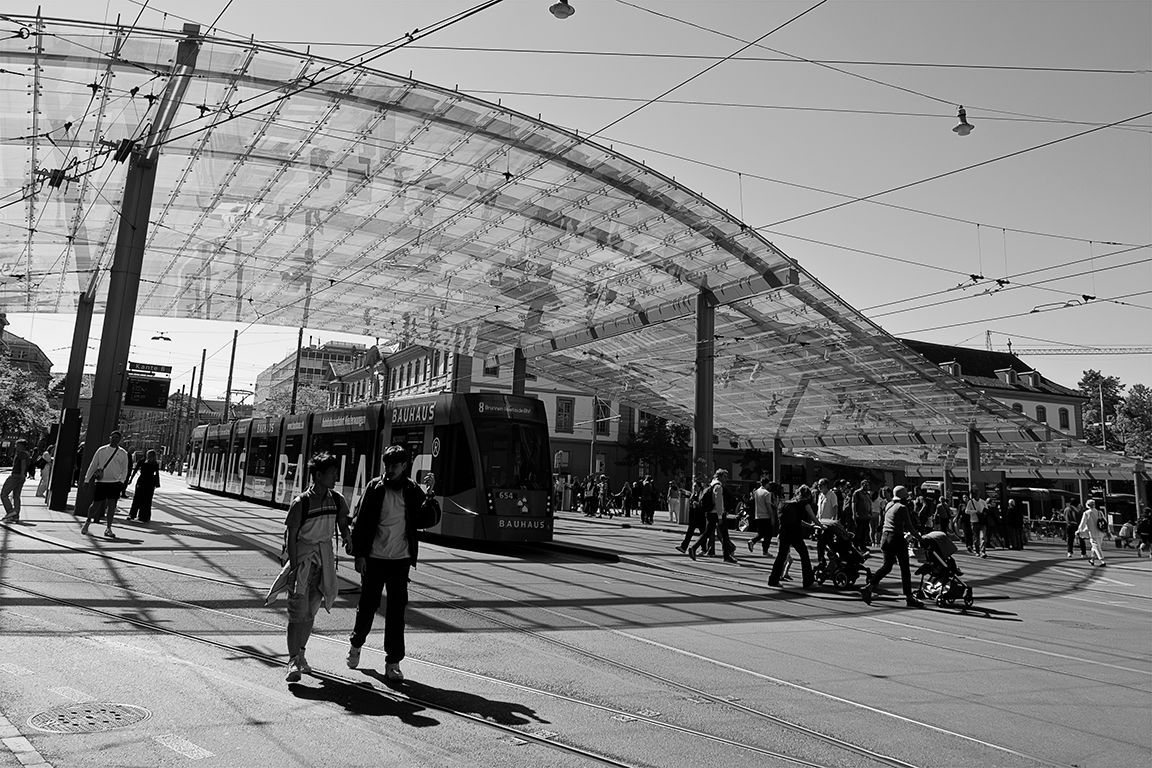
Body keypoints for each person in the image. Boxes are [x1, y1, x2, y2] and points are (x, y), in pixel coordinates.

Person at [346, 444, 441, 681]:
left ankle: (393, 662)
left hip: (400, 560)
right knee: (368, 606)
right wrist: (359, 555)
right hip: (374, 558)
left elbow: (427, 519)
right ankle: (356, 643)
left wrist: (430, 494)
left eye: (394, 465)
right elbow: (361, 521)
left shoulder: (411, 490)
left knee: (396, 613)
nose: (389, 470)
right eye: (387, 465)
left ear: (404, 467)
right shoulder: (374, 488)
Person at [266, 452, 352, 683]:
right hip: (303, 563)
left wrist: (347, 537)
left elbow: (343, 523)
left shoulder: (337, 500)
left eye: (336, 472)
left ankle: (301, 655)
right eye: (332, 473)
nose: (335, 476)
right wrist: (293, 568)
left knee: (310, 613)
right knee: (297, 614)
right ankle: (293, 660)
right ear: (318, 475)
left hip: (323, 564)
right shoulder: (301, 503)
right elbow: (291, 538)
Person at [860, 486, 925, 608]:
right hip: (896, 538)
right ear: (904, 497)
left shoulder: (889, 505)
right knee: (905, 569)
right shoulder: (902, 507)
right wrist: (921, 538)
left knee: (887, 566)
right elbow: (910, 527)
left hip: (885, 538)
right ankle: (909, 597)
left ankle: (869, 587)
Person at [80, 431, 131, 538]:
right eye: (113, 437)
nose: (115, 439)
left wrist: (122, 482)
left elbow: (125, 469)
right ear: (110, 438)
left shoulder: (123, 453)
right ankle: (87, 522)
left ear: (120, 439)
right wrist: (87, 480)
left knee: (112, 506)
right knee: (95, 505)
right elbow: (93, 465)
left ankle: (108, 528)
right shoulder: (101, 450)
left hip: (114, 483)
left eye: (117, 438)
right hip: (101, 482)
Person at [768, 485, 817, 588]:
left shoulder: (789, 503)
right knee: (804, 555)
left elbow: (797, 520)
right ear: (808, 495)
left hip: (784, 532)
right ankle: (808, 581)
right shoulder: (804, 504)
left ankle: (773, 580)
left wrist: (808, 525)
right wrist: (821, 526)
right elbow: (813, 517)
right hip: (795, 534)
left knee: (781, 557)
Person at [687, 469, 738, 563]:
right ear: (720, 476)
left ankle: (693, 548)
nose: (726, 479)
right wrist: (720, 516)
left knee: (707, 533)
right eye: (725, 477)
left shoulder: (712, 484)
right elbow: (718, 502)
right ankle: (726, 556)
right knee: (725, 535)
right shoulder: (718, 487)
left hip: (711, 513)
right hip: (717, 514)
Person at [127, 449, 161, 523]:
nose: (150, 457)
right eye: (149, 455)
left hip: (149, 483)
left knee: (146, 500)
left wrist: (157, 483)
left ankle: (143, 516)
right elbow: (135, 470)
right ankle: (134, 515)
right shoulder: (142, 461)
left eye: (151, 455)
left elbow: (156, 474)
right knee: (138, 498)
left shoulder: (155, 463)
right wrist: (131, 479)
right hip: (143, 482)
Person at [1, 439, 32, 522]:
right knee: (16, 496)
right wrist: (23, 475)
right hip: (21, 476)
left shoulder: (21, 453)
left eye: (17, 445)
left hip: (16, 475)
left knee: (4, 494)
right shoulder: (26, 454)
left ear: (21, 446)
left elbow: (23, 463)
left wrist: (22, 473)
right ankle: (16, 515)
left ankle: (10, 511)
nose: (15, 446)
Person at [747, 475, 776, 555]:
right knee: (768, 534)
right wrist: (772, 517)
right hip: (766, 516)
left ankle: (753, 542)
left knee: (761, 533)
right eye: (768, 484)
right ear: (766, 484)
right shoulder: (767, 493)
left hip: (758, 515)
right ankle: (764, 550)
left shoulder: (756, 492)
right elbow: (768, 506)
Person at [676, 478, 707, 554]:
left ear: (699, 487)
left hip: (700, 516)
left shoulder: (702, 494)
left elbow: (702, 504)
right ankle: (684, 547)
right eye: (693, 486)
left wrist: (696, 503)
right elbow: (690, 497)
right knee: (690, 532)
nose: (694, 488)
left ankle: (704, 549)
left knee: (702, 533)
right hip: (693, 516)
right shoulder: (694, 494)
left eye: (696, 486)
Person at [814, 478, 839, 564]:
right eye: (818, 485)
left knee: (829, 543)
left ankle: (835, 559)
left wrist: (833, 521)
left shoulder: (832, 495)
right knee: (820, 544)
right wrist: (815, 520)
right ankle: (821, 560)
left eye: (820, 485)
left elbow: (835, 508)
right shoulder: (820, 495)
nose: (819, 487)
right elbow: (819, 510)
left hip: (828, 524)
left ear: (825, 485)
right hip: (820, 524)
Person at [1076, 500, 1108, 567]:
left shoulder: (1087, 513)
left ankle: (1102, 561)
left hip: (1093, 533)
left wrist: (1079, 530)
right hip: (1101, 532)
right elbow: (1105, 522)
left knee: (1096, 547)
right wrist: (1108, 531)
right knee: (1095, 547)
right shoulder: (1099, 512)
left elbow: (1083, 523)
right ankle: (1092, 560)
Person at [851, 480, 873, 551]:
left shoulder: (867, 494)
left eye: (868, 485)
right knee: (858, 532)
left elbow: (869, 503)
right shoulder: (857, 493)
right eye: (865, 485)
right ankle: (855, 545)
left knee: (864, 532)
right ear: (862, 485)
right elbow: (854, 503)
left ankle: (863, 546)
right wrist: (854, 514)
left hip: (866, 516)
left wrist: (870, 512)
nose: (867, 486)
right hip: (859, 516)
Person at [966, 492, 988, 557]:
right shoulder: (970, 502)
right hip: (974, 521)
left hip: (983, 522)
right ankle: (977, 551)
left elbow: (987, 510)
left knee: (983, 537)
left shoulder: (983, 502)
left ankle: (983, 551)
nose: (977, 496)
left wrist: (984, 513)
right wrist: (975, 511)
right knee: (976, 538)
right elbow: (966, 511)